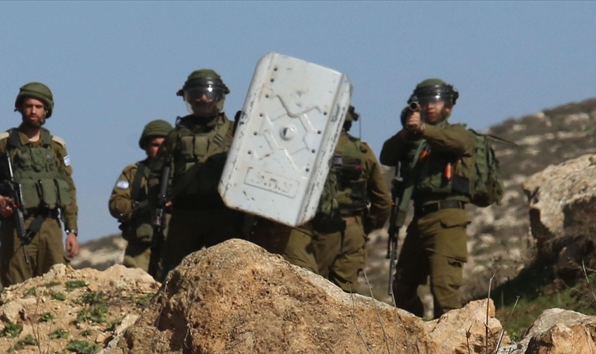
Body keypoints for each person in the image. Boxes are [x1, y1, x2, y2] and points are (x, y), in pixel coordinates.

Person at [252, 106, 393, 292]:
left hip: (304, 224)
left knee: (309, 285)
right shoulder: (362, 151)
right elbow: (382, 201)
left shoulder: (303, 146)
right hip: (350, 226)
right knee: (345, 291)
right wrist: (365, 226)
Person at [380, 79, 475, 317]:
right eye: (424, 101)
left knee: (444, 289)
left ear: (448, 107)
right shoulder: (413, 139)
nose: (430, 106)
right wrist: (407, 131)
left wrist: (422, 129)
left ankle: (451, 347)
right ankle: (417, 333)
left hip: (447, 218)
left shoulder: (456, 132)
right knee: (402, 285)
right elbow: (387, 155)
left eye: (436, 100)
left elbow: (458, 143)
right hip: (420, 219)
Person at [0, 82, 80, 287]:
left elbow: (68, 190)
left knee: (57, 287)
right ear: (20, 107)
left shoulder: (56, 146)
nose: (33, 111)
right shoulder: (2, 143)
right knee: (17, 287)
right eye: (29, 105)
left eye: (38, 107)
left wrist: (71, 230)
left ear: (46, 110)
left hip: (50, 226)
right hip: (15, 225)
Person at [152, 69, 244, 279]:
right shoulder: (177, 135)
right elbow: (157, 172)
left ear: (219, 97)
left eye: (208, 93)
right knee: (173, 273)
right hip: (185, 213)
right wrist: (159, 198)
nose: (202, 98)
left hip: (224, 213)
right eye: (196, 94)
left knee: (228, 273)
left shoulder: (234, 132)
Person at [108, 119, 173, 276]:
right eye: (155, 145)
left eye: (165, 145)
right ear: (146, 146)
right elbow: (116, 204)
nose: (161, 150)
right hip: (140, 249)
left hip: (173, 247)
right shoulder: (134, 172)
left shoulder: (182, 172)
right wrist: (144, 205)